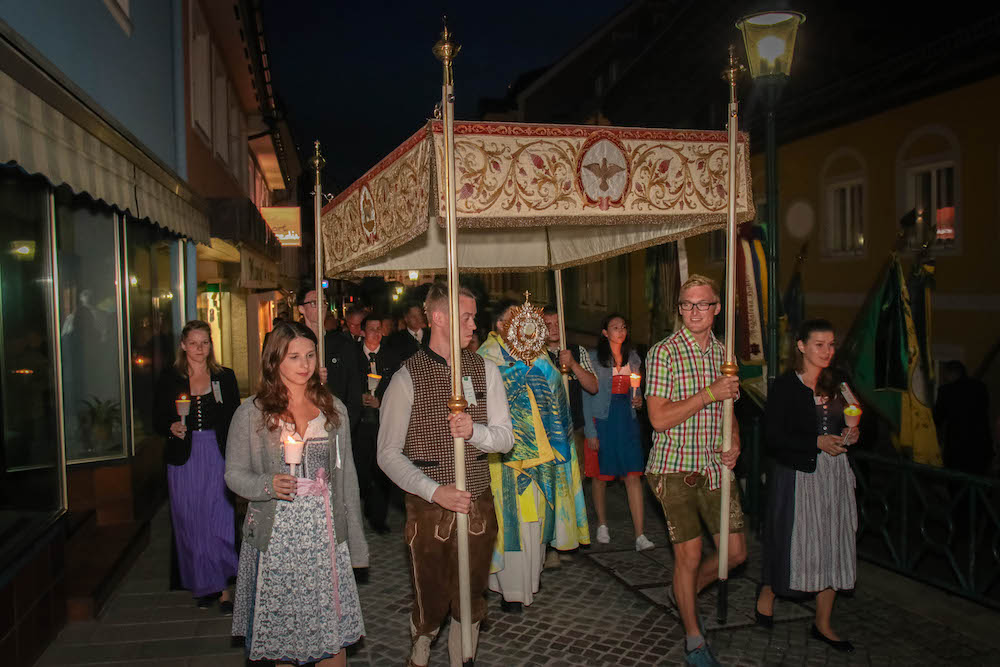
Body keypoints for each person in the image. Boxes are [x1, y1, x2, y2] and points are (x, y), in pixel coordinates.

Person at [377, 282, 513, 667]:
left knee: (470, 593)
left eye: (473, 316)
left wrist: (476, 432)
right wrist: (434, 491)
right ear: (438, 318)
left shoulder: (485, 370)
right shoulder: (407, 377)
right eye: (466, 317)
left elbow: (505, 438)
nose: (474, 325)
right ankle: (421, 637)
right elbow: (387, 454)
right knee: (431, 589)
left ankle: (463, 656)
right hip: (429, 507)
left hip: (478, 503)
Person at [226, 321, 367, 666]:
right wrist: (266, 485)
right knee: (286, 643)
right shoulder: (252, 413)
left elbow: (347, 480)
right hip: (278, 539)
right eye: (294, 357)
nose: (304, 364)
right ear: (275, 361)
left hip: (325, 537)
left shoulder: (334, 411)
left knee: (333, 640)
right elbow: (233, 474)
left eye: (309, 355)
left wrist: (357, 545)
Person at [645, 274, 746, 666]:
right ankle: (693, 638)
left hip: (714, 467)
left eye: (702, 304)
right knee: (690, 554)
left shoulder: (725, 356)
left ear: (717, 308)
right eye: (687, 304)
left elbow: (730, 411)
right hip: (673, 468)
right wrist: (709, 393)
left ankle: (682, 593)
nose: (694, 312)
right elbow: (658, 419)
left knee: (734, 555)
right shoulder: (664, 353)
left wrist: (735, 441)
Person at [756, 319, 860, 653]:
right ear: (801, 346)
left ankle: (823, 622)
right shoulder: (787, 386)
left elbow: (854, 415)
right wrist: (815, 441)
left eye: (831, 344)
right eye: (819, 344)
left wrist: (853, 433)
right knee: (792, 542)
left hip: (835, 475)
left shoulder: (839, 381)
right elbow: (773, 436)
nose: (827, 351)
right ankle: (769, 591)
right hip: (800, 475)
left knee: (834, 542)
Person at [478, 300, 589, 612]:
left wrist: (541, 372)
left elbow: (556, 393)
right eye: (514, 318)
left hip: (544, 456)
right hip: (506, 460)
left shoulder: (539, 353)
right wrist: (518, 374)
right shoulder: (487, 356)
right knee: (510, 522)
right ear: (500, 325)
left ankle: (530, 581)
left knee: (536, 522)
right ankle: (509, 590)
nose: (524, 323)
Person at [154, 320, 240, 611]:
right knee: (191, 519)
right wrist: (171, 427)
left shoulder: (224, 377)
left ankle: (224, 588)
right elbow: (156, 417)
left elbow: (234, 420)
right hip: (185, 456)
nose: (199, 349)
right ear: (182, 345)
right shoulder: (170, 378)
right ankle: (204, 584)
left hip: (217, 453)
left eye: (204, 343)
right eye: (193, 343)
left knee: (220, 518)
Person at [581, 313, 654, 552]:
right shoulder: (593, 359)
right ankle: (602, 523)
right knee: (601, 475)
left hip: (627, 418)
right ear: (605, 332)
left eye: (623, 327)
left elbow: (638, 391)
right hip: (603, 418)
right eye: (615, 327)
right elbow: (586, 395)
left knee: (633, 474)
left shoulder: (633, 358)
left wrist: (639, 401)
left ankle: (640, 534)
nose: (620, 331)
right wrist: (590, 430)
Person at [354, 313, 400, 533]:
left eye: (378, 328)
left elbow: (397, 389)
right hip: (360, 424)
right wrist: (358, 399)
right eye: (371, 329)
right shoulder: (353, 357)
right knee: (362, 470)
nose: (375, 333)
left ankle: (378, 517)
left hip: (383, 422)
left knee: (382, 470)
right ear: (362, 332)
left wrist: (381, 402)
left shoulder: (391, 357)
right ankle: (364, 506)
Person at [298, 286, 363, 433]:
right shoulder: (293, 345)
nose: (321, 307)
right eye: (314, 303)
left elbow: (353, 392)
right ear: (301, 309)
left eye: (324, 302)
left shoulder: (342, 345)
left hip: (335, 423)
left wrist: (344, 427)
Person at [934, 360, 993, 475]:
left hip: (958, 450)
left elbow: (937, 418)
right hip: (981, 447)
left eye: (945, 375)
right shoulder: (980, 387)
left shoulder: (946, 391)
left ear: (951, 373)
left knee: (957, 485)